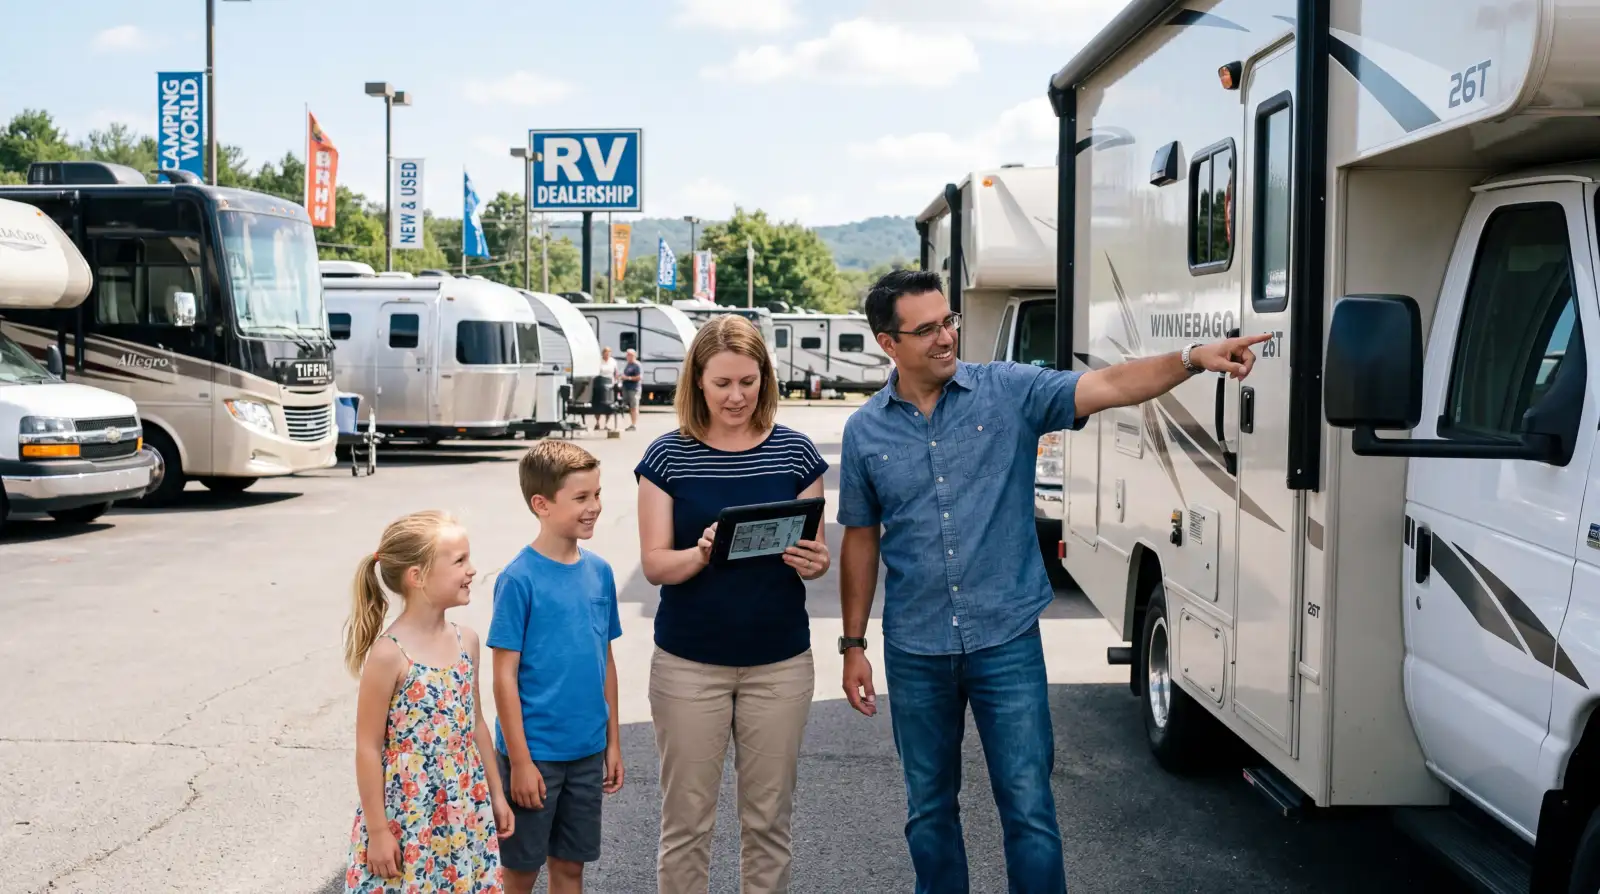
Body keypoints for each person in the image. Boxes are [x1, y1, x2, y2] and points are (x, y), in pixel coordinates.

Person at [836, 270, 1270, 893]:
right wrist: (853, 645)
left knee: (1030, 813)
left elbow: (1111, 384)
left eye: (948, 322)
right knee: (929, 814)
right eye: (925, 329)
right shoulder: (864, 432)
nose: (944, 338)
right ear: (887, 343)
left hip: (1005, 640)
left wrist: (1192, 358)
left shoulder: (1006, 392)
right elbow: (860, 537)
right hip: (917, 648)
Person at [634, 314, 831, 894]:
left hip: (780, 664)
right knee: (686, 826)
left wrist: (815, 562)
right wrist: (700, 553)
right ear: (697, 381)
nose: (737, 396)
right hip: (688, 666)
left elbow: (814, 551)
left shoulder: (796, 453)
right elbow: (653, 564)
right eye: (722, 383)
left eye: (748, 381)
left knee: (769, 823)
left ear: (765, 379)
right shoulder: (667, 456)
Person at [341, 509, 512, 893]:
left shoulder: (467, 640)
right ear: (417, 577)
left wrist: (497, 795)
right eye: (459, 561)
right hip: (409, 817)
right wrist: (378, 831)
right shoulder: (390, 654)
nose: (472, 569)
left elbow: (477, 725)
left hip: (465, 809)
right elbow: (367, 748)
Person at [489, 441, 625, 894]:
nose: (595, 508)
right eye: (581, 498)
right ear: (541, 505)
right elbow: (504, 676)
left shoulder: (600, 571)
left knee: (571, 868)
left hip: (586, 752)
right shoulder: (518, 579)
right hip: (536, 756)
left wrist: (613, 744)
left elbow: (605, 660)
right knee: (521, 871)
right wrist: (522, 763)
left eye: (598, 495)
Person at [595, 347, 620, 431]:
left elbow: (616, 373)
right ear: (603, 353)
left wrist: (617, 381)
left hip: (610, 385)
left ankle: (606, 424)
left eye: (609, 353)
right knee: (597, 405)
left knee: (609, 405)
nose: (607, 355)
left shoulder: (613, 361)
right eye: (606, 353)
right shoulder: (598, 361)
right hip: (599, 385)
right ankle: (597, 422)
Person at [620, 348, 643, 431]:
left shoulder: (637, 365)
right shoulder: (628, 364)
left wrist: (628, 378)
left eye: (629, 355)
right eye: (627, 355)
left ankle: (634, 424)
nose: (627, 356)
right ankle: (631, 423)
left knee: (634, 407)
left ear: (633, 356)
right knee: (629, 407)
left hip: (634, 388)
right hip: (626, 388)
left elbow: (639, 377)